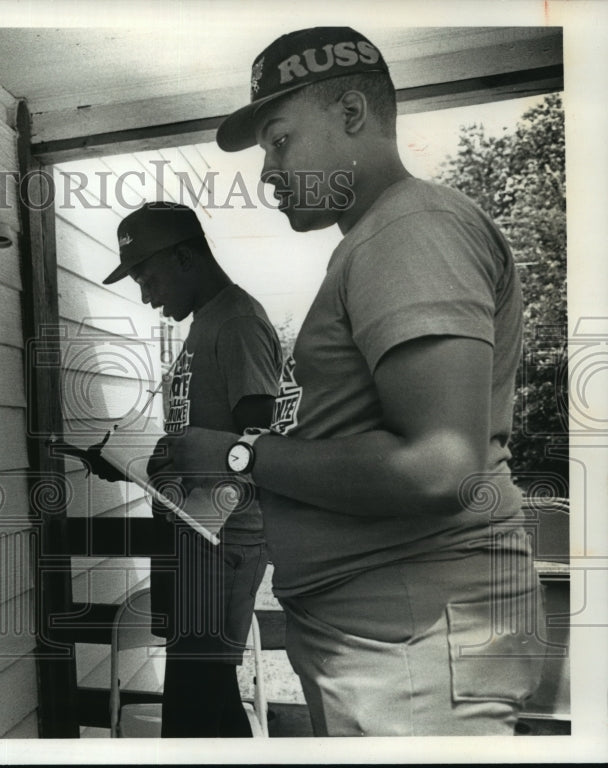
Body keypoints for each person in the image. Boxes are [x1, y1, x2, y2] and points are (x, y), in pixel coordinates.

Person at [156, 27, 548, 736]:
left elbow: (438, 466)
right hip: (391, 635)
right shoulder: (379, 237)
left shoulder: (410, 229)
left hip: (414, 637)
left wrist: (238, 455)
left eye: (280, 141)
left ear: (352, 115)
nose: (268, 173)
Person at [96, 201, 282, 737]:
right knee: (212, 703)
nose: (145, 294)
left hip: (222, 538)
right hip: (192, 530)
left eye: (146, 277)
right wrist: (141, 463)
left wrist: (180, 456)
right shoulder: (207, 321)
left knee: (190, 711)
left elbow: (258, 443)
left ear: (184, 258)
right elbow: (205, 436)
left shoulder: (239, 321)